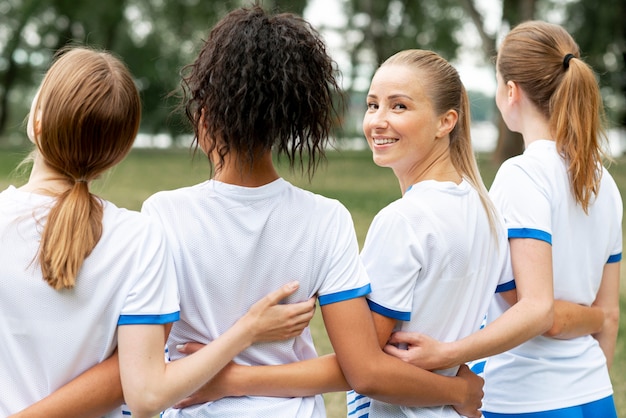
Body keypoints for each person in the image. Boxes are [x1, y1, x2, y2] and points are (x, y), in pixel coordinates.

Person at [13, 6, 484, 418]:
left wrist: (225, 374)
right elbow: (358, 366)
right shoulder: (327, 219)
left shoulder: (161, 216)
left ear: (204, 116)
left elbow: (139, 375)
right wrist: (454, 388)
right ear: (290, 118)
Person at [166, 48, 514, 418]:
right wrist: (457, 376)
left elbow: (364, 369)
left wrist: (231, 379)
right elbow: (519, 308)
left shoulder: (405, 221)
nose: (378, 121)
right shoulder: (485, 209)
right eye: (372, 104)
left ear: (446, 122)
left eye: (399, 107)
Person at [1, 46, 316, 418]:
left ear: (36, 123)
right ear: (119, 152)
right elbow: (147, 396)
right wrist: (245, 330)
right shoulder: (139, 238)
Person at [385, 20, 622, 418]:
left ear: (510, 91)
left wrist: (447, 352)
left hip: (525, 399)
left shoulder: (522, 175)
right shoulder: (604, 181)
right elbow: (608, 315)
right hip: (594, 394)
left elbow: (532, 308)